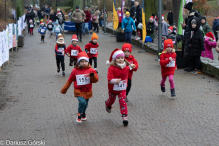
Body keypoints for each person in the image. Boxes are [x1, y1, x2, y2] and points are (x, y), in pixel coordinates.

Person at [60, 51, 99, 123]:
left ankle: (83, 113)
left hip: (87, 90)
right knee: (82, 102)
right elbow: (70, 80)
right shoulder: (75, 70)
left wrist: (92, 76)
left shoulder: (91, 70)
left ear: (88, 62)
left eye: (85, 61)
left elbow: (95, 80)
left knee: (86, 104)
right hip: (78, 90)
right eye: (82, 61)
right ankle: (79, 114)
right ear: (78, 62)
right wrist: (64, 89)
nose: (84, 63)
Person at [105, 49, 135, 126]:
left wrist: (134, 66)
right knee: (112, 100)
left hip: (122, 88)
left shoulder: (127, 67)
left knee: (122, 101)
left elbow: (133, 68)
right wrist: (115, 81)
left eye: (122, 58)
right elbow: (109, 79)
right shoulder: (111, 68)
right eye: (118, 58)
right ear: (115, 60)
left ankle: (124, 116)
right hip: (113, 88)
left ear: (124, 58)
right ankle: (108, 104)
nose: (120, 60)